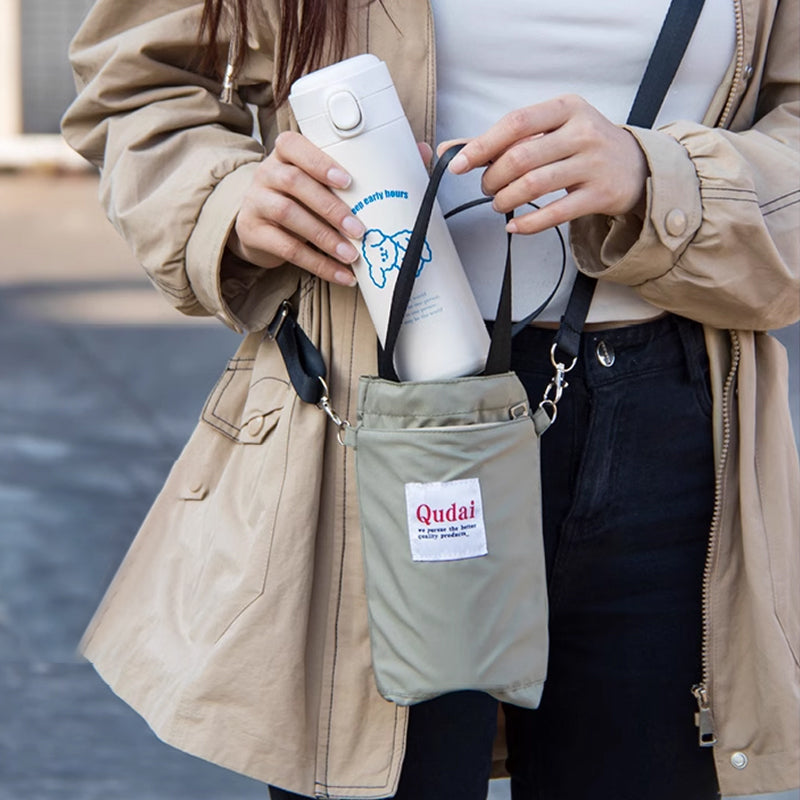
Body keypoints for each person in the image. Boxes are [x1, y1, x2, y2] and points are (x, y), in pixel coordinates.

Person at [61, 1, 799, 798]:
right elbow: (136, 80)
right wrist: (230, 197)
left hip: (669, 423)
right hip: (380, 418)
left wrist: (663, 179)